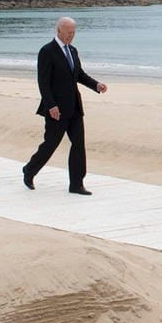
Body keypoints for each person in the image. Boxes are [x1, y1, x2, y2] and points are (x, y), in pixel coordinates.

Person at [22, 17, 106, 195]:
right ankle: (30, 170)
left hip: (74, 106)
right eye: (68, 32)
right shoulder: (47, 51)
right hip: (56, 109)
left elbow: (79, 75)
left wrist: (96, 85)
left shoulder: (73, 50)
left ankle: (76, 184)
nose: (71, 36)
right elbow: (43, 82)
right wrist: (51, 105)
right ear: (59, 31)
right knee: (51, 143)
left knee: (78, 144)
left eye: (73, 33)